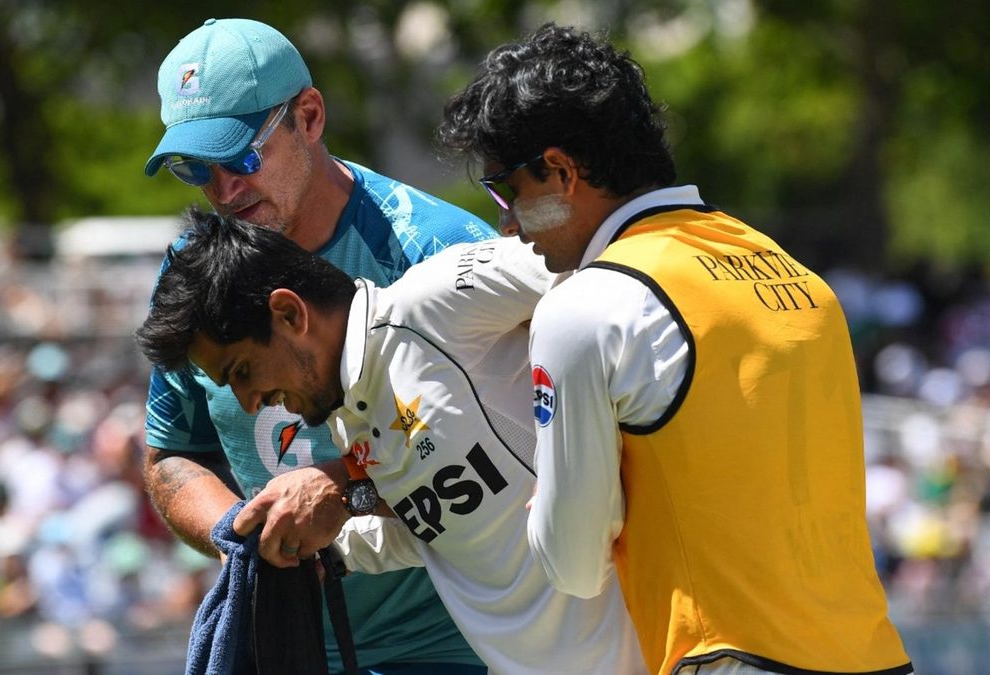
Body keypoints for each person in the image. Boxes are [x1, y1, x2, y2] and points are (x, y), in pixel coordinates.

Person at [435, 23, 914, 675]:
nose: (507, 224)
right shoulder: (800, 278)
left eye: (506, 191)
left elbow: (571, 565)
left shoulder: (585, 305)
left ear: (561, 171)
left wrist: (554, 497)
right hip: (878, 657)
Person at [135, 210, 645, 674]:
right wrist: (326, 548)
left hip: (653, 650)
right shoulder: (347, 419)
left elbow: (620, 269)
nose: (249, 403)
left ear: (290, 314)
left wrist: (581, 443)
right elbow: (441, 532)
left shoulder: (437, 298)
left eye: (242, 371)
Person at [142, 17, 495, 674]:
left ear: (308, 116)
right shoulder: (193, 271)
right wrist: (245, 534)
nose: (223, 190)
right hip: (284, 643)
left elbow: (519, 445)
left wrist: (338, 488)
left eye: (241, 157)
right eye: (195, 168)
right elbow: (173, 454)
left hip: (459, 642)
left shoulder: (437, 252)